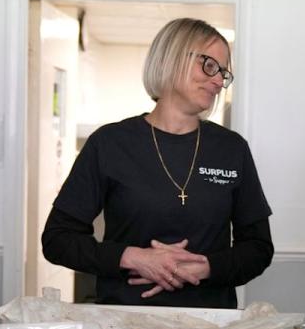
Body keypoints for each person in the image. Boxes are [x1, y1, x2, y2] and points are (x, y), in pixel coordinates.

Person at [42, 18, 273, 308]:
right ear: (172, 57)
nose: (218, 81)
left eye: (223, 73)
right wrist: (131, 258)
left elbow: (259, 249)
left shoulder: (231, 149)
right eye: (210, 66)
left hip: (210, 328)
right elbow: (57, 240)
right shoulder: (110, 143)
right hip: (123, 324)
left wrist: (205, 268)